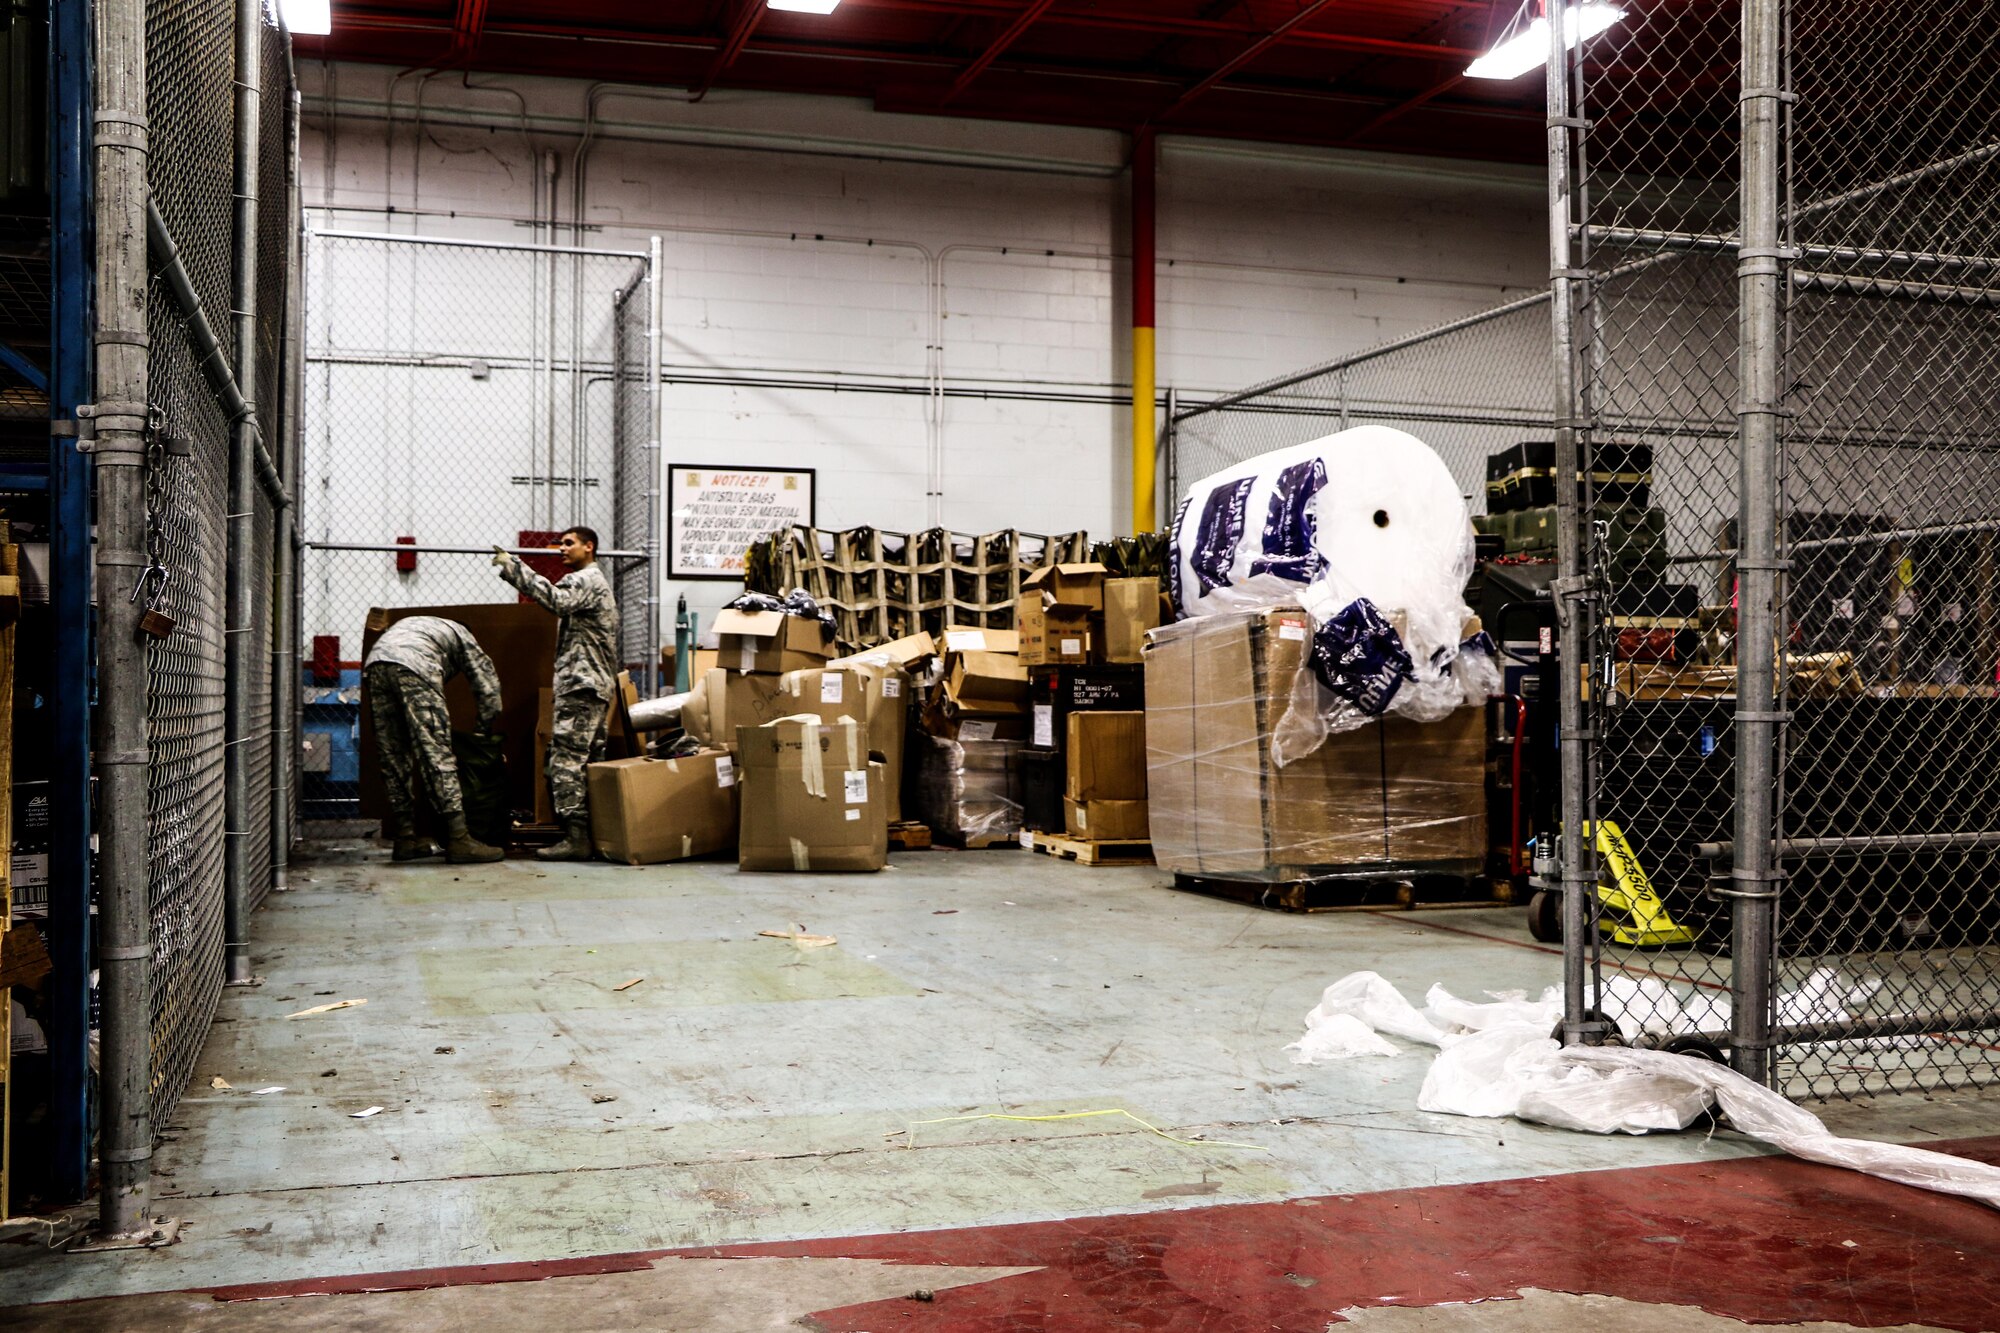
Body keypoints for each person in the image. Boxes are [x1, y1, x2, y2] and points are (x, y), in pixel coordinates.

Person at [492, 527, 621, 861]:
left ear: (589, 547)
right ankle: (598, 834)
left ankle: (577, 838)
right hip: (594, 684)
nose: (560, 550)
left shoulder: (586, 580)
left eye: (569, 544)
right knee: (589, 761)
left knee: (565, 761)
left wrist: (513, 566)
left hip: (581, 685)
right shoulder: (595, 583)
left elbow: (555, 600)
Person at [363, 616, 507, 864]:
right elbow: (489, 689)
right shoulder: (462, 635)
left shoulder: (424, 626)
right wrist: (482, 733)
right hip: (414, 663)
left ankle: (405, 838)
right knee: (436, 751)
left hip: (376, 663)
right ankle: (459, 838)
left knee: (393, 754)